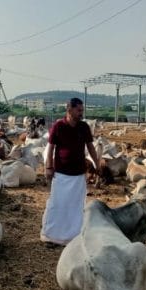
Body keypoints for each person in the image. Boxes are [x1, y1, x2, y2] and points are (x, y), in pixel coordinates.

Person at [40, 98, 98, 246]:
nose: (81, 113)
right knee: (57, 204)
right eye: (78, 110)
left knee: (76, 206)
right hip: (61, 174)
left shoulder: (84, 127)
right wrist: (48, 167)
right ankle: (52, 236)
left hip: (78, 175)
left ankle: (73, 237)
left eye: (82, 110)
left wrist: (97, 165)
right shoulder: (59, 126)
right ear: (69, 109)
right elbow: (51, 148)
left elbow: (90, 147)